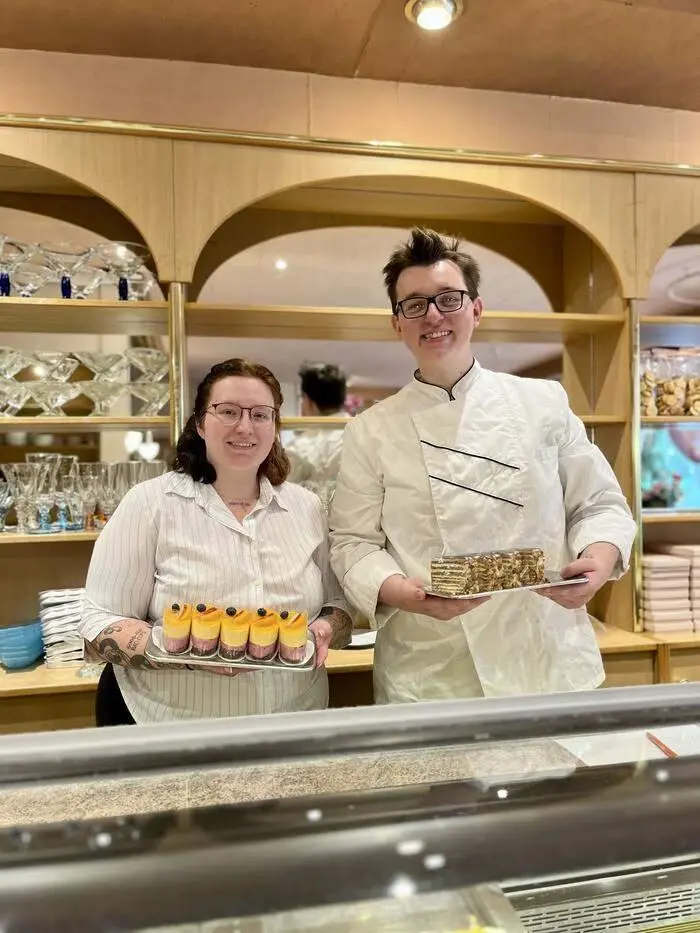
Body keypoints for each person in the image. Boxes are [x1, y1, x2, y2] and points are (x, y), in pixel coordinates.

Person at [329, 227, 637, 704]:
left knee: (562, 781)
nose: (433, 315)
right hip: (432, 670)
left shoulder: (544, 402)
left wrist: (599, 561)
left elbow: (599, 505)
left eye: (448, 299)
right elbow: (353, 543)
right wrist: (397, 590)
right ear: (397, 323)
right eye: (414, 305)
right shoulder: (369, 430)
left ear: (476, 308)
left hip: (545, 654)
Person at [79, 358, 352, 725]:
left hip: (293, 718)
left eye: (260, 414)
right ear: (200, 423)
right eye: (228, 411)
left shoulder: (308, 507)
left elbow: (338, 604)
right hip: (172, 724)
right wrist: (186, 652)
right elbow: (97, 624)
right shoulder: (149, 504)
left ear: (275, 426)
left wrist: (324, 630)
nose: (245, 426)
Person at [286, 362, 348, 511]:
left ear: (308, 401)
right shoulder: (364, 435)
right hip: (360, 528)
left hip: (311, 527)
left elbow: (285, 495)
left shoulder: (299, 447)